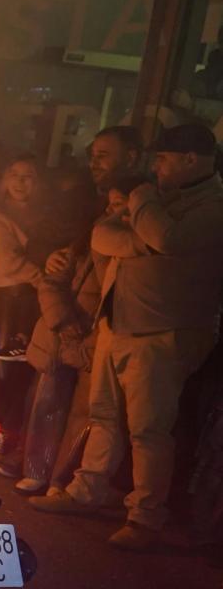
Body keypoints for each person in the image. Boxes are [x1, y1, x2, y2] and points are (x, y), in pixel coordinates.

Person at [32, 124, 223, 550]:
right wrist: (143, 241)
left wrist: (141, 203)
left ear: (191, 160)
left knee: (149, 429)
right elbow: (103, 234)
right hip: (118, 324)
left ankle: (145, 516)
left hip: (162, 333)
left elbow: (167, 238)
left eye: (163, 159)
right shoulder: (166, 201)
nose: (155, 167)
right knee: (103, 416)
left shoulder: (211, 206)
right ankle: (87, 489)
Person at [12, 128, 142, 494]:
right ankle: (37, 471)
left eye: (104, 155)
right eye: (93, 154)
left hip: (99, 334)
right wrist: (62, 319)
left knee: (86, 414)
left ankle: (60, 481)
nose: (94, 163)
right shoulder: (84, 212)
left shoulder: (132, 237)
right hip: (65, 330)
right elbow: (53, 274)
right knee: (48, 403)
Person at [0, 156, 46, 473]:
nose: (20, 182)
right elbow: (8, 264)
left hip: (32, 303)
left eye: (28, 176)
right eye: (14, 174)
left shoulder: (46, 218)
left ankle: (10, 439)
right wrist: (47, 277)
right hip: (10, 303)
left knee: (23, 376)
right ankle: (0, 435)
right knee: (6, 373)